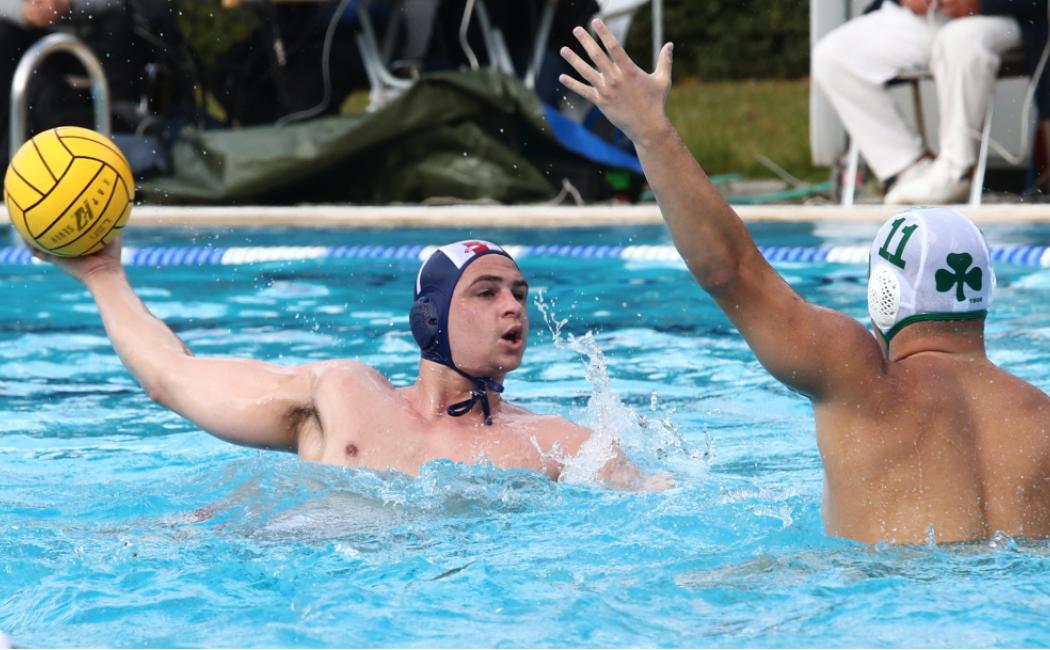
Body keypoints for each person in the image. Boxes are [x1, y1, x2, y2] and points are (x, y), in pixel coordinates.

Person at [560, 19, 1050, 544]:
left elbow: (731, 271)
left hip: (884, 586)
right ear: (985, 293)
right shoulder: (1041, 418)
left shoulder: (859, 380)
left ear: (883, 297)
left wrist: (650, 130)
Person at [31, 235, 667, 491]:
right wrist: (102, 273)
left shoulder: (558, 443)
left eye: (520, 294)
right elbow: (174, 377)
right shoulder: (341, 395)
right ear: (429, 319)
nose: (513, 307)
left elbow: (662, 501)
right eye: (486, 292)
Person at [811, 0, 1048, 204]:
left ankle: (958, 171)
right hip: (928, 16)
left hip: (1002, 15)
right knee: (834, 55)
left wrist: (982, 3)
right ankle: (908, 168)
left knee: (959, 39)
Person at [0, 0, 148, 170]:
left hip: (92, 45)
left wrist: (66, 5)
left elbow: (115, 4)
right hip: (23, 39)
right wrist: (23, 11)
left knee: (118, 19)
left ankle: (121, 122)